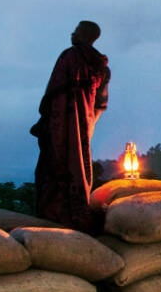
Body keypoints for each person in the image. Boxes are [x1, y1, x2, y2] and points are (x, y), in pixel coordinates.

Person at [31, 20, 110, 231]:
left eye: (75, 30)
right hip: (84, 124)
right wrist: (88, 124)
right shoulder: (101, 67)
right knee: (78, 165)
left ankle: (55, 216)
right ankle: (76, 213)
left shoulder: (69, 56)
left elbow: (52, 94)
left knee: (55, 165)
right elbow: (101, 104)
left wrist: (47, 121)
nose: (72, 33)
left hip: (60, 124)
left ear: (83, 34)